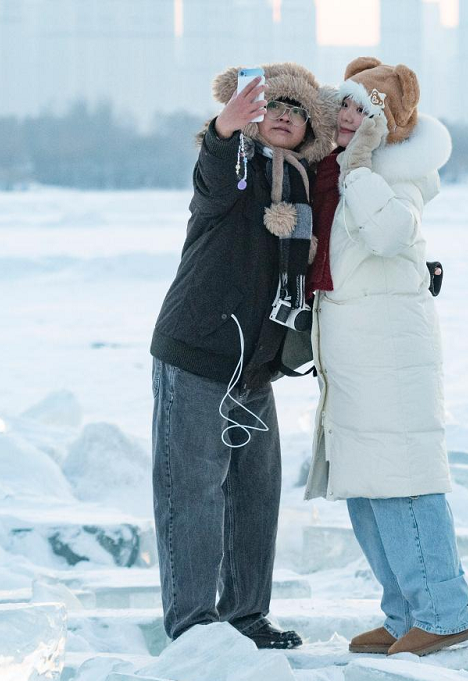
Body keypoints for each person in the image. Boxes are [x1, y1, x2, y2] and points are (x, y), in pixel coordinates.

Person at [150, 62, 337, 648]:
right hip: (200, 351)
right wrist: (224, 130)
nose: (284, 115)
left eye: (296, 109)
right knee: (193, 490)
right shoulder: (235, 168)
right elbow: (212, 175)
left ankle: (245, 615)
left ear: (310, 126)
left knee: (255, 491)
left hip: (256, 366)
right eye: (272, 106)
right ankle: (193, 625)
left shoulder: (305, 185)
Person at [305, 57, 468, 657]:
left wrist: (356, 170)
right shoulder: (342, 172)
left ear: (390, 124)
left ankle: (445, 612)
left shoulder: (393, 177)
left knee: (403, 480)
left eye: (366, 110)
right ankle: (405, 613)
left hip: (390, 354)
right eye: (346, 105)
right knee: (364, 485)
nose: (350, 117)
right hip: (355, 355)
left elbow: (387, 235)